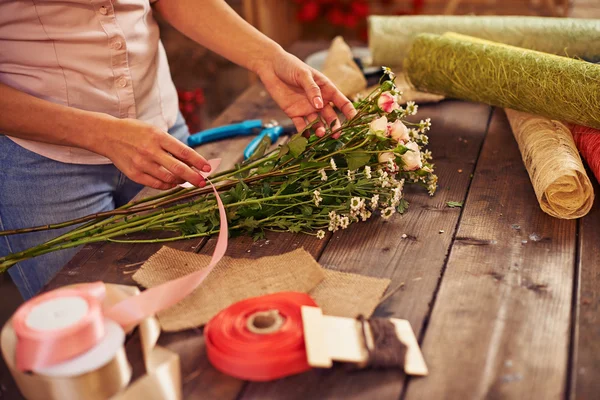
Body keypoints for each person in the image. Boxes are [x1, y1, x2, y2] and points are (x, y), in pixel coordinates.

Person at [0, 0, 356, 299]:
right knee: (88, 335)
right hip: (44, 168)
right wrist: (103, 133)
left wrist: (267, 57)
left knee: (193, 299)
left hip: (164, 137)